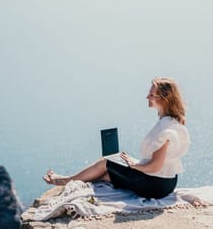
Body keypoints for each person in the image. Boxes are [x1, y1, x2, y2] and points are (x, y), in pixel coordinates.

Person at [43, 77, 190, 199]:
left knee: (105, 162)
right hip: (165, 181)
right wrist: (132, 163)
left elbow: (155, 166)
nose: (147, 97)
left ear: (164, 99)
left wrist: (134, 165)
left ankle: (63, 180)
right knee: (109, 171)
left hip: (155, 185)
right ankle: (90, 178)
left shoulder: (165, 130)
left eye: (151, 95)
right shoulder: (172, 121)